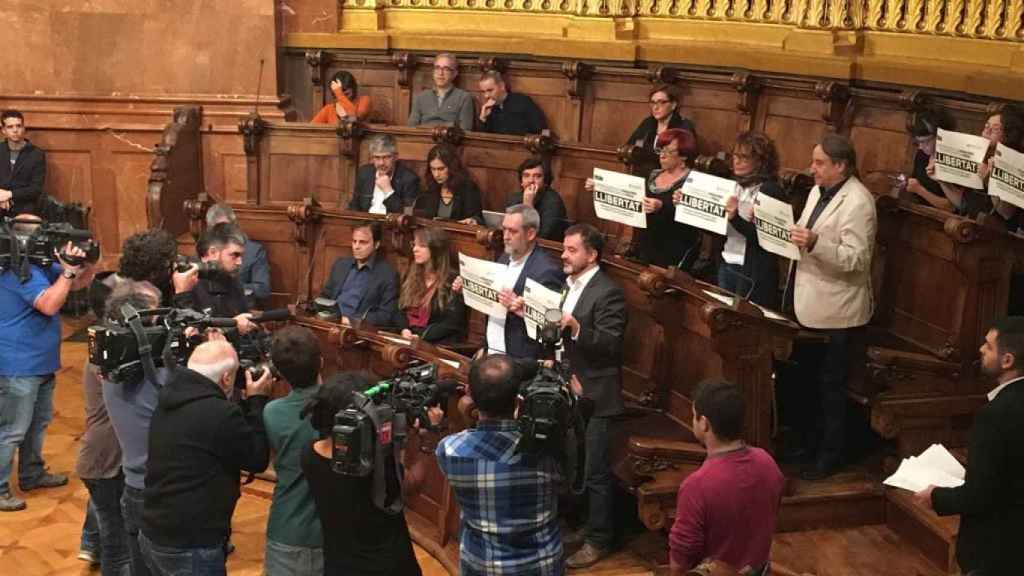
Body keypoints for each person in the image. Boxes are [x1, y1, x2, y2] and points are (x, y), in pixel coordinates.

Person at [140, 339, 273, 575]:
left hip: (154, 530)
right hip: (191, 541)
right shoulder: (220, 413)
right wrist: (257, 401)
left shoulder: (169, 396)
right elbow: (257, 459)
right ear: (226, 379)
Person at [786, 133, 876, 480]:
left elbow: (858, 260)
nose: (812, 169)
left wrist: (816, 242)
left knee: (831, 388)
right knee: (807, 382)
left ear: (841, 165)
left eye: (820, 163)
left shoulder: (859, 202)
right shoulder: (816, 191)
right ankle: (808, 444)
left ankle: (831, 455)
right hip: (808, 300)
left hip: (837, 311)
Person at [914, 316, 1024, 576]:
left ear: (1007, 360)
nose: (981, 349)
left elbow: (982, 494)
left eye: (988, 346)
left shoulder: (995, 415)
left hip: (999, 551)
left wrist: (936, 497)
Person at [437, 355, 563, 575]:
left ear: (469, 394)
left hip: (482, 566)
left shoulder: (449, 450)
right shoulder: (549, 450)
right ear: (519, 401)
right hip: (542, 566)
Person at [0, 215, 93, 512]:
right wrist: (66, 274)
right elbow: (50, 303)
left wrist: (83, 260)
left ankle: (32, 473)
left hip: (40, 361)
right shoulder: (17, 270)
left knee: (37, 424)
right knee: (13, 429)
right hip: (18, 364)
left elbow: (77, 283)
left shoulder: (39, 264)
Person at [301, 372, 423, 575]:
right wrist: (424, 441)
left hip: (340, 566)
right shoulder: (378, 466)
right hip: (391, 567)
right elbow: (413, 484)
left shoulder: (309, 454)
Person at [557, 223, 628, 570]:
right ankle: (585, 527)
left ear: (592, 255)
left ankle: (600, 539)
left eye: (572, 250)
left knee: (597, 472)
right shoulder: (569, 286)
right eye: (564, 249)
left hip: (599, 394)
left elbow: (611, 345)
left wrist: (577, 328)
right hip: (572, 387)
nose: (564, 255)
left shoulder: (608, 292)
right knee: (577, 465)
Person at [668, 379, 785, 574]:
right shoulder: (767, 462)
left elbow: (680, 562)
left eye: (694, 416)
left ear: (704, 423)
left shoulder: (696, 486)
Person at [100, 282, 167, 576]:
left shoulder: (105, 366)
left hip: (134, 485)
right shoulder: (159, 378)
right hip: (161, 491)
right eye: (154, 318)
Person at [74, 276, 132, 575]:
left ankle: (89, 543)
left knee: (119, 534)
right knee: (117, 544)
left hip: (111, 458)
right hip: (103, 460)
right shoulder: (107, 353)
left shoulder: (115, 343)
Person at [453, 204, 564, 359]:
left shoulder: (546, 271)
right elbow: (492, 305)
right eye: (504, 229)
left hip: (520, 359)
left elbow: (552, 329)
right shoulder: (504, 258)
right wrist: (467, 289)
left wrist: (523, 310)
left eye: (512, 231)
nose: (505, 236)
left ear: (530, 233)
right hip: (491, 351)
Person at [587, 128, 700, 268]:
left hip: (673, 251)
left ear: (684, 155)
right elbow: (627, 193)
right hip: (643, 247)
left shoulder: (694, 181)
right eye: (660, 150)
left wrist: (662, 207)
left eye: (669, 151)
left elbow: (695, 217)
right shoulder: (653, 174)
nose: (662, 156)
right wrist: (600, 186)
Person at [262, 326, 325, 576]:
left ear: (279, 372)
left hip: (286, 527)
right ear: (321, 362)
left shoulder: (272, 412)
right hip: (334, 530)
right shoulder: (345, 404)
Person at [718, 131, 784, 308]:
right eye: (735, 156)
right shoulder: (733, 185)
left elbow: (769, 239)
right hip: (728, 261)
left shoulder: (771, 190)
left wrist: (735, 218)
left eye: (744, 157)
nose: (736, 161)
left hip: (753, 272)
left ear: (760, 161)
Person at [173, 222, 256, 334]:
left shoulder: (233, 281)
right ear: (213, 252)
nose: (240, 262)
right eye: (234, 255)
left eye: (241, 256)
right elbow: (191, 332)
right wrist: (233, 327)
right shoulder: (186, 282)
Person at [319, 222, 404, 328]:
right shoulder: (341, 265)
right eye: (354, 241)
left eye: (363, 242)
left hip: (357, 330)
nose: (356, 247)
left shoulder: (387, 275)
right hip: (330, 322)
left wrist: (352, 321)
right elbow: (324, 296)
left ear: (376, 244)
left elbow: (385, 315)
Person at [398, 227, 467, 344]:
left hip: (435, 344)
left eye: (422, 246)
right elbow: (399, 309)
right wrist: (404, 329)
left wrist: (421, 336)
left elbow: (452, 323)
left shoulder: (452, 280)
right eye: (414, 244)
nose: (415, 249)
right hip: (407, 338)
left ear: (436, 250)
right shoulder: (411, 274)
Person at [206, 203, 272, 308]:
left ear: (235, 226)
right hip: (210, 310)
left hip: (242, 310)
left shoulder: (253, 250)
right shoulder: (207, 250)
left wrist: (232, 287)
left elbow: (263, 289)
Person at [349, 134, 421, 214]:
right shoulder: (365, 173)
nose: (381, 163)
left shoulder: (409, 179)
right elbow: (354, 205)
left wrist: (388, 191)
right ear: (372, 158)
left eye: (386, 157)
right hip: (364, 222)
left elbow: (407, 215)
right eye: (377, 157)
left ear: (396, 157)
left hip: (389, 225)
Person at [414, 144, 484, 225]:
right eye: (433, 169)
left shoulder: (468, 188)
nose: (436, 174)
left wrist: (473, 220)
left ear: (452, 167)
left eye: (441, 169)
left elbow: (478, 219)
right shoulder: (429, 190)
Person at [504, 156, 568, 242]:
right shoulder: (514, 198)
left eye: (537, 176)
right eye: (526, 176)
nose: (531, 180)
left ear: (545, 181)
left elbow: (541, 237)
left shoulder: (553, 202)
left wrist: (528, 205)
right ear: (521, 181)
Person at [904, 108, 955, 211]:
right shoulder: (922, 154)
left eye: (925, 141)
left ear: (941, 136)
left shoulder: (951, 160)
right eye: (918, 142)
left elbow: (951, 207)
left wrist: (920, 190)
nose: (920, 147)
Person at [408, 53, 475, 130]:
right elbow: (411, 127)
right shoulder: (421, 97)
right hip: (423, 140)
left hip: (450, 140)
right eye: (437, 68)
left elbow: (466, 129)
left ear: (454, 74)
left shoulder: (464, 97)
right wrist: (450, 125)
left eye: (446, 69)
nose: (440, 73)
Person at [624, 85, 697, 155]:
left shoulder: (683, 126)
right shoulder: (648, 122)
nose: (655, 107)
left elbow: (685, 156)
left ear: (673, 105)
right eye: (653, 103)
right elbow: (630, 146)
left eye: (661, 102)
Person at [0, 110, 46, 215]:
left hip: (24, 208)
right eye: (10, 127)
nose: (15, 130)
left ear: (23, 128)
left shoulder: (36, 154)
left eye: (18, 126)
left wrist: (9, 194)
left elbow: (36, 189)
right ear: (3, 130)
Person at [118, 228, 180, 305]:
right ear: (153, 274)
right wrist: (182, 294)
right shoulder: (135, 302)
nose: (175, 266)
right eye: (168, 264)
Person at [478, 70, 547, 136]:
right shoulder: (488, 109)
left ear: (502, 86)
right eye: (483, 92)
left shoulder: (522, 101)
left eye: (490, 90)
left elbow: (543, 129)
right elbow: (483, 141)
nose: (486, 96)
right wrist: (483, 119)